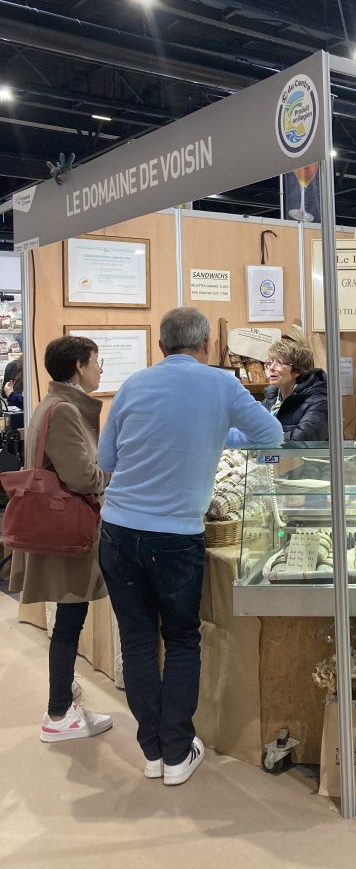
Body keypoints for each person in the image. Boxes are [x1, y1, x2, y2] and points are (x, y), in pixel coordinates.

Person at [97, 307, 282, 786]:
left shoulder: (134, 385)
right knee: (181, 638)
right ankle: (178, 752)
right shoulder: (221, 384)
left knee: (138, 639)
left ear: (161, 347)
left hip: (117, 530)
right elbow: (274, 436)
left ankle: (153, 752)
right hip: (176, 536)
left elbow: (106, 459)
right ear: (204, 347)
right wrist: (222, 432)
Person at [9, 336, 112, 742]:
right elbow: (83, 477)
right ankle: (58, 713)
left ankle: (63, 699)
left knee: (68, 621)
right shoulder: (66, 411)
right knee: (70, 621)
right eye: (96, 362)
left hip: (58, 531)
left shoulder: (51, 405)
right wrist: (112, 476)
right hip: (68, 533)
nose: (100, 369)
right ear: (78, 367)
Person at [263, 336, 329, 442]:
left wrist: (265, 437)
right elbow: (251, 430)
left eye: (279, 362)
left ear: (298, 370)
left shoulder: (319, 401)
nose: (271, 367)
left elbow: (303, 438)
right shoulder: (271, 399)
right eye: (270, 362)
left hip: (305, 458)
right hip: (276, 458)